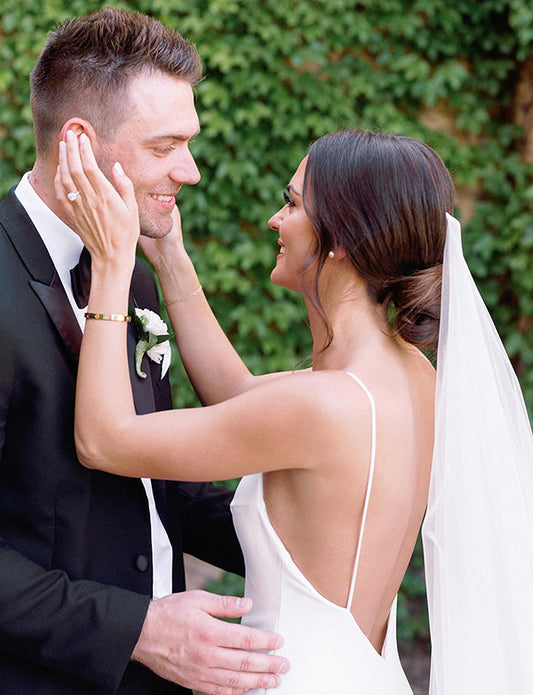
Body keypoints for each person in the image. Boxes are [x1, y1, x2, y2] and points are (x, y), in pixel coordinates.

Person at [58, 127, 533, 695]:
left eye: (291, 203)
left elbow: (105, 440)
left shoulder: (321, 406)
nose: (274, 221)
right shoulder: (409, 378)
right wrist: (169, 255)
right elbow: (239, 395)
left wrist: (113, 267)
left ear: (342, 240)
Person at [0, 8, 289, 695]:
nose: (187, 171)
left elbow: (160, 483)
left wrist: (305, 535)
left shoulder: (129, 273)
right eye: (165, 146)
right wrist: (138, 629)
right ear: (78, 141)